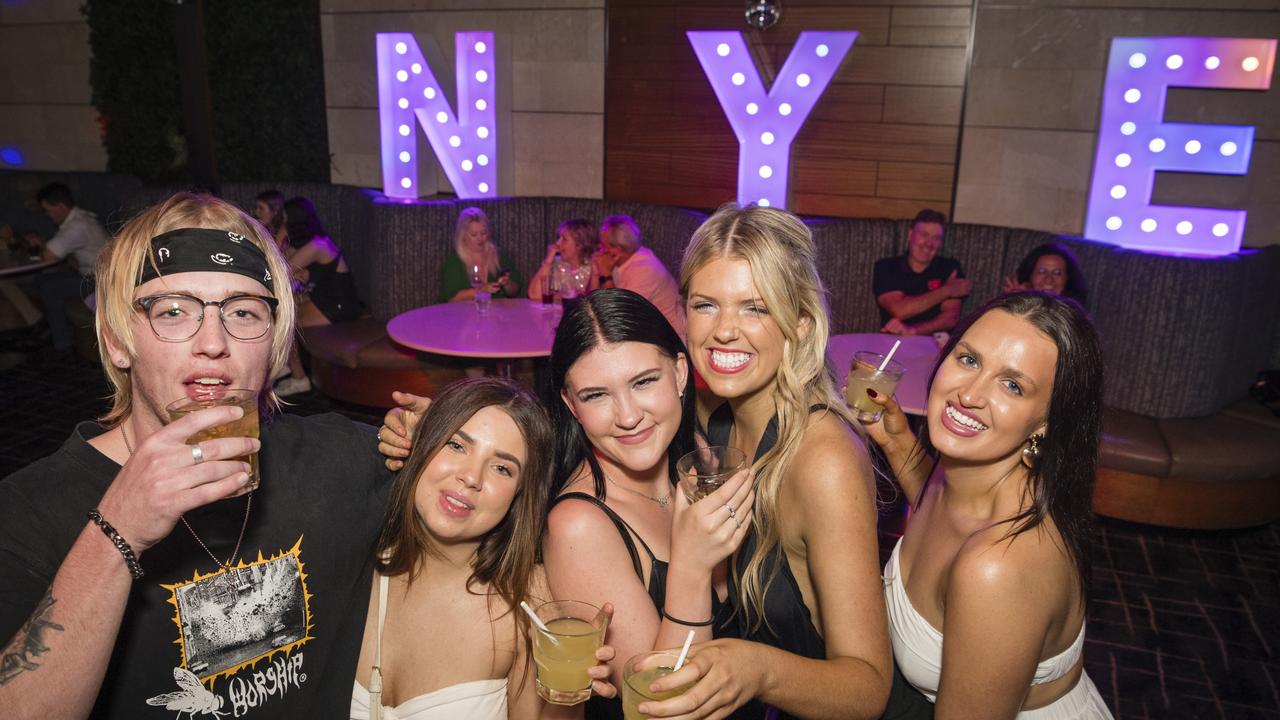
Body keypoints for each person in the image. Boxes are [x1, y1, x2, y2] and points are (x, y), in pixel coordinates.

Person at [0, 192, 393, 718]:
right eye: (174, 310)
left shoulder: (341, 457)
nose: (213, 341)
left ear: (274, 342)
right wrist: (116, 531)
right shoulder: (26, 512)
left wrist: (447, 437)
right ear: (118, 341)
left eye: (244, 311)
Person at [377, 290, 753, 720]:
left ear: (680, 374)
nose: (628, 415)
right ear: (572, 405)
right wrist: (691, 567)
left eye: (644, 381)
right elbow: (659, 709)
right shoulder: (579, 524)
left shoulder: (701, 456)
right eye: (596, 395)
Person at [641, 204, 892, 719]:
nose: (724, 331)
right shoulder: (716, 418)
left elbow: (867, 687)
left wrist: (756, 669)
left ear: (800, 324)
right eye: (706, 304)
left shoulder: (824, 457)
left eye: (755, 307)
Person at [864, 292, 1113, 719]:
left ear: (1046, 422)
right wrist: (898, 442)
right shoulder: (966, 475)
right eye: (969, 360)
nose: (970, 394)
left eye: (1012, 385)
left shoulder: (997, 569)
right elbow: (944, 511)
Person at [351, 377, 616, 719]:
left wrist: (566, 695)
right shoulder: (352, 559)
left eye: (502, 468)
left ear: (519, 496)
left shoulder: (531, 604)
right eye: (457, 446)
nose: (472, 476)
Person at [274, 196, 364, 396]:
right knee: (280, 310)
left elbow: (280, 270)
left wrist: (281, 236)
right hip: (325, 300)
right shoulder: (309, 244)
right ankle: (285, 364)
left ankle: (299, 378)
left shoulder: (317, 245)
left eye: (285, 219)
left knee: (284, 320)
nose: (283, 223)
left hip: (340, 305)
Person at [26, 182, 111, 355]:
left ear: (60, 206)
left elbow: (49, 255)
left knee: (50, 288)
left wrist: (39, 245)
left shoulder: (77, 225)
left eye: (48, 210)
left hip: (101, 281)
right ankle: (48, 325)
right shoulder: (80, 219)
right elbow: (63, 254)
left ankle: (62, 345)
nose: (47, 215)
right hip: (90, 274)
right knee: (41, 280)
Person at [873, 209, 969, 337]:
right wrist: (947, 290)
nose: (929, 243)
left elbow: (950, 318)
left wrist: (913, 331)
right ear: (910, 234)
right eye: (924, 235)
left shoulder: (949, 268)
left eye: (936, 238)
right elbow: (900, 310)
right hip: (893, 342)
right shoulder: (886, 266)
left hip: (936, 344)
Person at [595, 215, 684, 337]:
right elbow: (594, 299)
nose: (599, 250)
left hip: (669, 338)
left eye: (603, 246)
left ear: (617, 250)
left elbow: (617, 316)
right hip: (645, 329)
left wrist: (605, 274)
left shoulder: (644, 271)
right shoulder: (625, 258)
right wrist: (597, 271)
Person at [439, 207, 521, 303]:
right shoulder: (455, 261)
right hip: (464, 315)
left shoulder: (499, 255)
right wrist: (481, 290)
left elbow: (515, 291)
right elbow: (452, 298)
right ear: (463, 236)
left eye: (483, 233)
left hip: (497, 314)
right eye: (474, 234)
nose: (480, 238)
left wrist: (507, 285)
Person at [527, 219, 597, 301]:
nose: (558, 243)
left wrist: (559, 296)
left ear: (579, 245)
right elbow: (534, 295)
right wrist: (548, 261)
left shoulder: (593, 266)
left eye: (564, 239)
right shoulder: (557, 264)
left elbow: (594, 301)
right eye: (559, 238)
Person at [1002, 243, 1089, 307]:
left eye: (1057, 273)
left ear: (1068, 278)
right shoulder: (1018, 303)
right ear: (1030, 275)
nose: (1048, 280)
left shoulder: (1074, 316)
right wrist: (1015, 303)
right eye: (1042, 271)